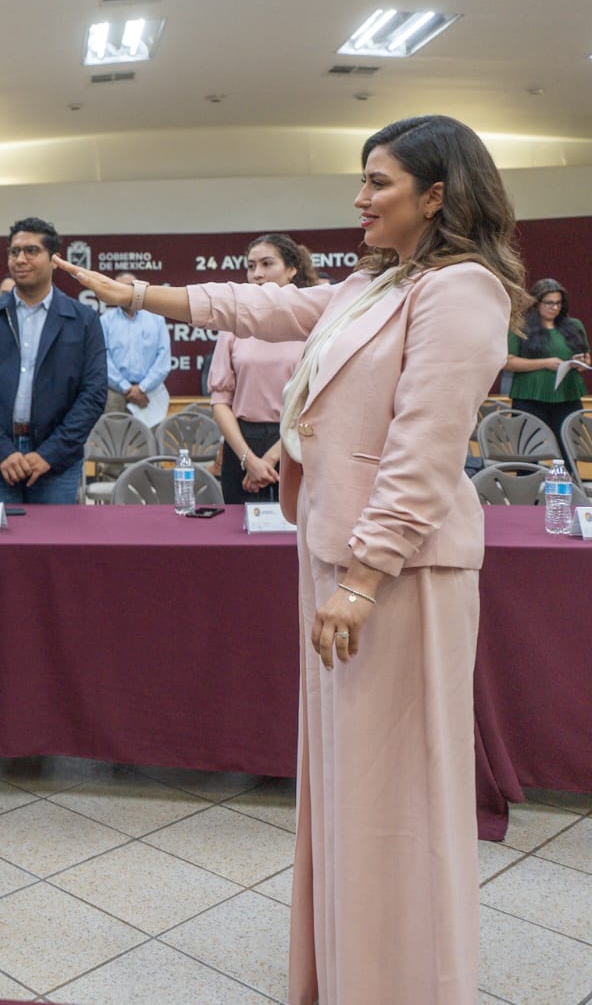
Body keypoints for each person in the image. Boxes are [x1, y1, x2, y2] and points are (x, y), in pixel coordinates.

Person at [59, 115, 530, 1005]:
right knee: (351, 789)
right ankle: (349, 973)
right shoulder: (377, 284)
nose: (359, 198)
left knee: (397, 797)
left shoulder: (463, 290)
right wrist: (130, 296)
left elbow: (426, 447)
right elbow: (256, 307)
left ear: (437, 196)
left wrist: (362, 577)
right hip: (338, 556)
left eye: (378, 183)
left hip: (398, 575)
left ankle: (402, 982)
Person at [0, 217, 107, 504]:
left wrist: (49, 454)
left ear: (54, 260)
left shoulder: (83, 320)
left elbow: (94, 394)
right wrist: (2, 452)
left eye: (31, 251)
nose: (20, 259)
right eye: (14, 252)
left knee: (52, 548)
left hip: (56, 463)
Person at [207, 235, 321, 505]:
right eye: (251, 266)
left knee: (295, 539)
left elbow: (317, 401)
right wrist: (250, 460)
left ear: (292, 270)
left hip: (296, 442)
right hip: (242, 446)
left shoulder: (312, 324)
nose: (257, 274)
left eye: (267, 264)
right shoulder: (234, 324)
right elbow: (220, 400)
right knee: (239, 540)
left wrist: (269, 460)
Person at [503, 277, 588, 462]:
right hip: (530, 396)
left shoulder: (574, 326)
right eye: (549, 303)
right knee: (527, 451)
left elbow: (586, 356)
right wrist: (544, 363)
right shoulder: (521, 326)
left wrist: (578, 361)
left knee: (569, 450)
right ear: (536, 303)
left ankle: (569, 487)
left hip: (567, 395)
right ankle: (525, 488)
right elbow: (508, 361)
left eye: (558, 303)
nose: (554, 308)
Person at [99, 270, 171, 418]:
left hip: (150, 393)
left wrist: (142, 388)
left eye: (130, 286)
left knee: (151, 440)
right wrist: (126, 388)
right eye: (119, 287)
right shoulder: (105, 321)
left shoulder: (156, 319)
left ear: (137, 289)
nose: (125, 291)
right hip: (115, 393)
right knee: (114, 439)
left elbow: (163, 360)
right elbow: (102, 359)